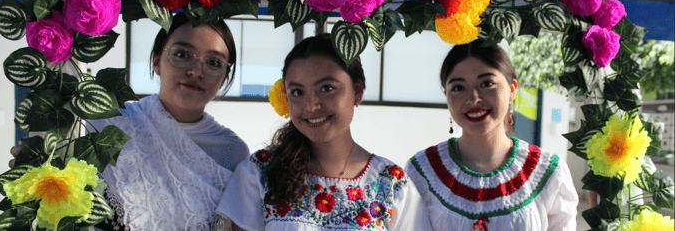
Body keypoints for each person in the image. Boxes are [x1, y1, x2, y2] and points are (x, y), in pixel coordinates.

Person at [10, 12, 250, 231]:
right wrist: (37, 168)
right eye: (182, 54)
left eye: (214, 62)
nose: (196, 70)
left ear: (224, 78)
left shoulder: (233, 153)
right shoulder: (107, 125)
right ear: (156, 61)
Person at [216, 34, 432, 230]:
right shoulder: (260, 173)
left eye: (327, 88)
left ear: (357, 91)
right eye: (298, 92)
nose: (311, 106)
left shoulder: (392, 185)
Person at [404, 40, 579, 230]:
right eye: (458, 87)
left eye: (487, 83)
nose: (473, 98)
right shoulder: (423, 171)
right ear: (446, 94)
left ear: (512, 89)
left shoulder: (549, 172)